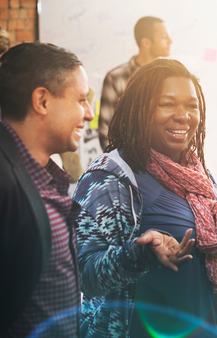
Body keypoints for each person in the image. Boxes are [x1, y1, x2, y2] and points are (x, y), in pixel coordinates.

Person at [74, 59, 217, 337]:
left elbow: (215, 255)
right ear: (141, 110)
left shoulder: (198, 176)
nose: (183, 115)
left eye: (192, 106)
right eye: (168, 104)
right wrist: (140, 255)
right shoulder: (112, 177)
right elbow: (84, 275)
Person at [0, 42, 94, 336]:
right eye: (81, 100)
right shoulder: (5, 182)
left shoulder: (44, 178)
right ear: (42, 101)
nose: (89, 113)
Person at [98, 16, 172, 150]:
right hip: (127, 164)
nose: (170, 41)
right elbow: (106, 132)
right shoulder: (116, 78)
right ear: (146, 42)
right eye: (164, 36)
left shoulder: (171, 79)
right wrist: (123, 165)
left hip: (165, 163)